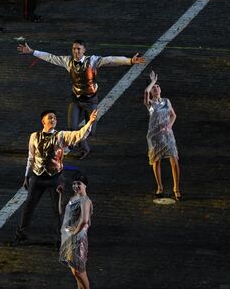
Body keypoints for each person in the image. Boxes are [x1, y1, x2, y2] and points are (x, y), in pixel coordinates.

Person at [17, 40, 146, 158]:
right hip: (76, 99)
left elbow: (111, 60)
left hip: (91, 101)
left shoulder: (93, 61)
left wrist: (130, 61)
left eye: (79, 49)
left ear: (84, 50)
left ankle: (74, 145)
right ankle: (84, 149)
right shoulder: (68, 61)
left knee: (91, 131)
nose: (76, 51)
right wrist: (33, 52)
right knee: (72, 127)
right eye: (74, 49)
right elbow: (51, 58)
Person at [13, 109, 97, 246]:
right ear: (43, 121)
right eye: (50, 118)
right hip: (37, 177)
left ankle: (59, 239)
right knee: (28, 206)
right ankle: (20, 236)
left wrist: (90, 123)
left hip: (55, 178)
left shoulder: (60, 136)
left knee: (58, 210)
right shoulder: (34, 136)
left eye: (55, 118)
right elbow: (31, 157)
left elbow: (78, 135)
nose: (53, 120)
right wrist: (26, 176)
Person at [143, 71, 181, 201]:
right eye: (154, 87)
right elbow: (146, 93)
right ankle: (160, 187)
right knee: (156, 161)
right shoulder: (150, 104)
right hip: (155, 136)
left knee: (174, 159)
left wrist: (169, 126)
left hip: (167, 135)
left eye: (157, 86)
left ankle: (176, 188)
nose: (156, 89)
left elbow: (173, 115)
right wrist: (152, 82)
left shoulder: (166, 101)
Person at [59, 172, 93, 289]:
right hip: (70, 237)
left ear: (85, 185)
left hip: (78, 239)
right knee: (75, 270)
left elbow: (84, 219)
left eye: (79, 183)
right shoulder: (74, 198)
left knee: (79, 270)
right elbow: (61, 212)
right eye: (74, 183)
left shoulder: (84, 200)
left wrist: (74, 232)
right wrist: (60, 195)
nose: (76, 186)